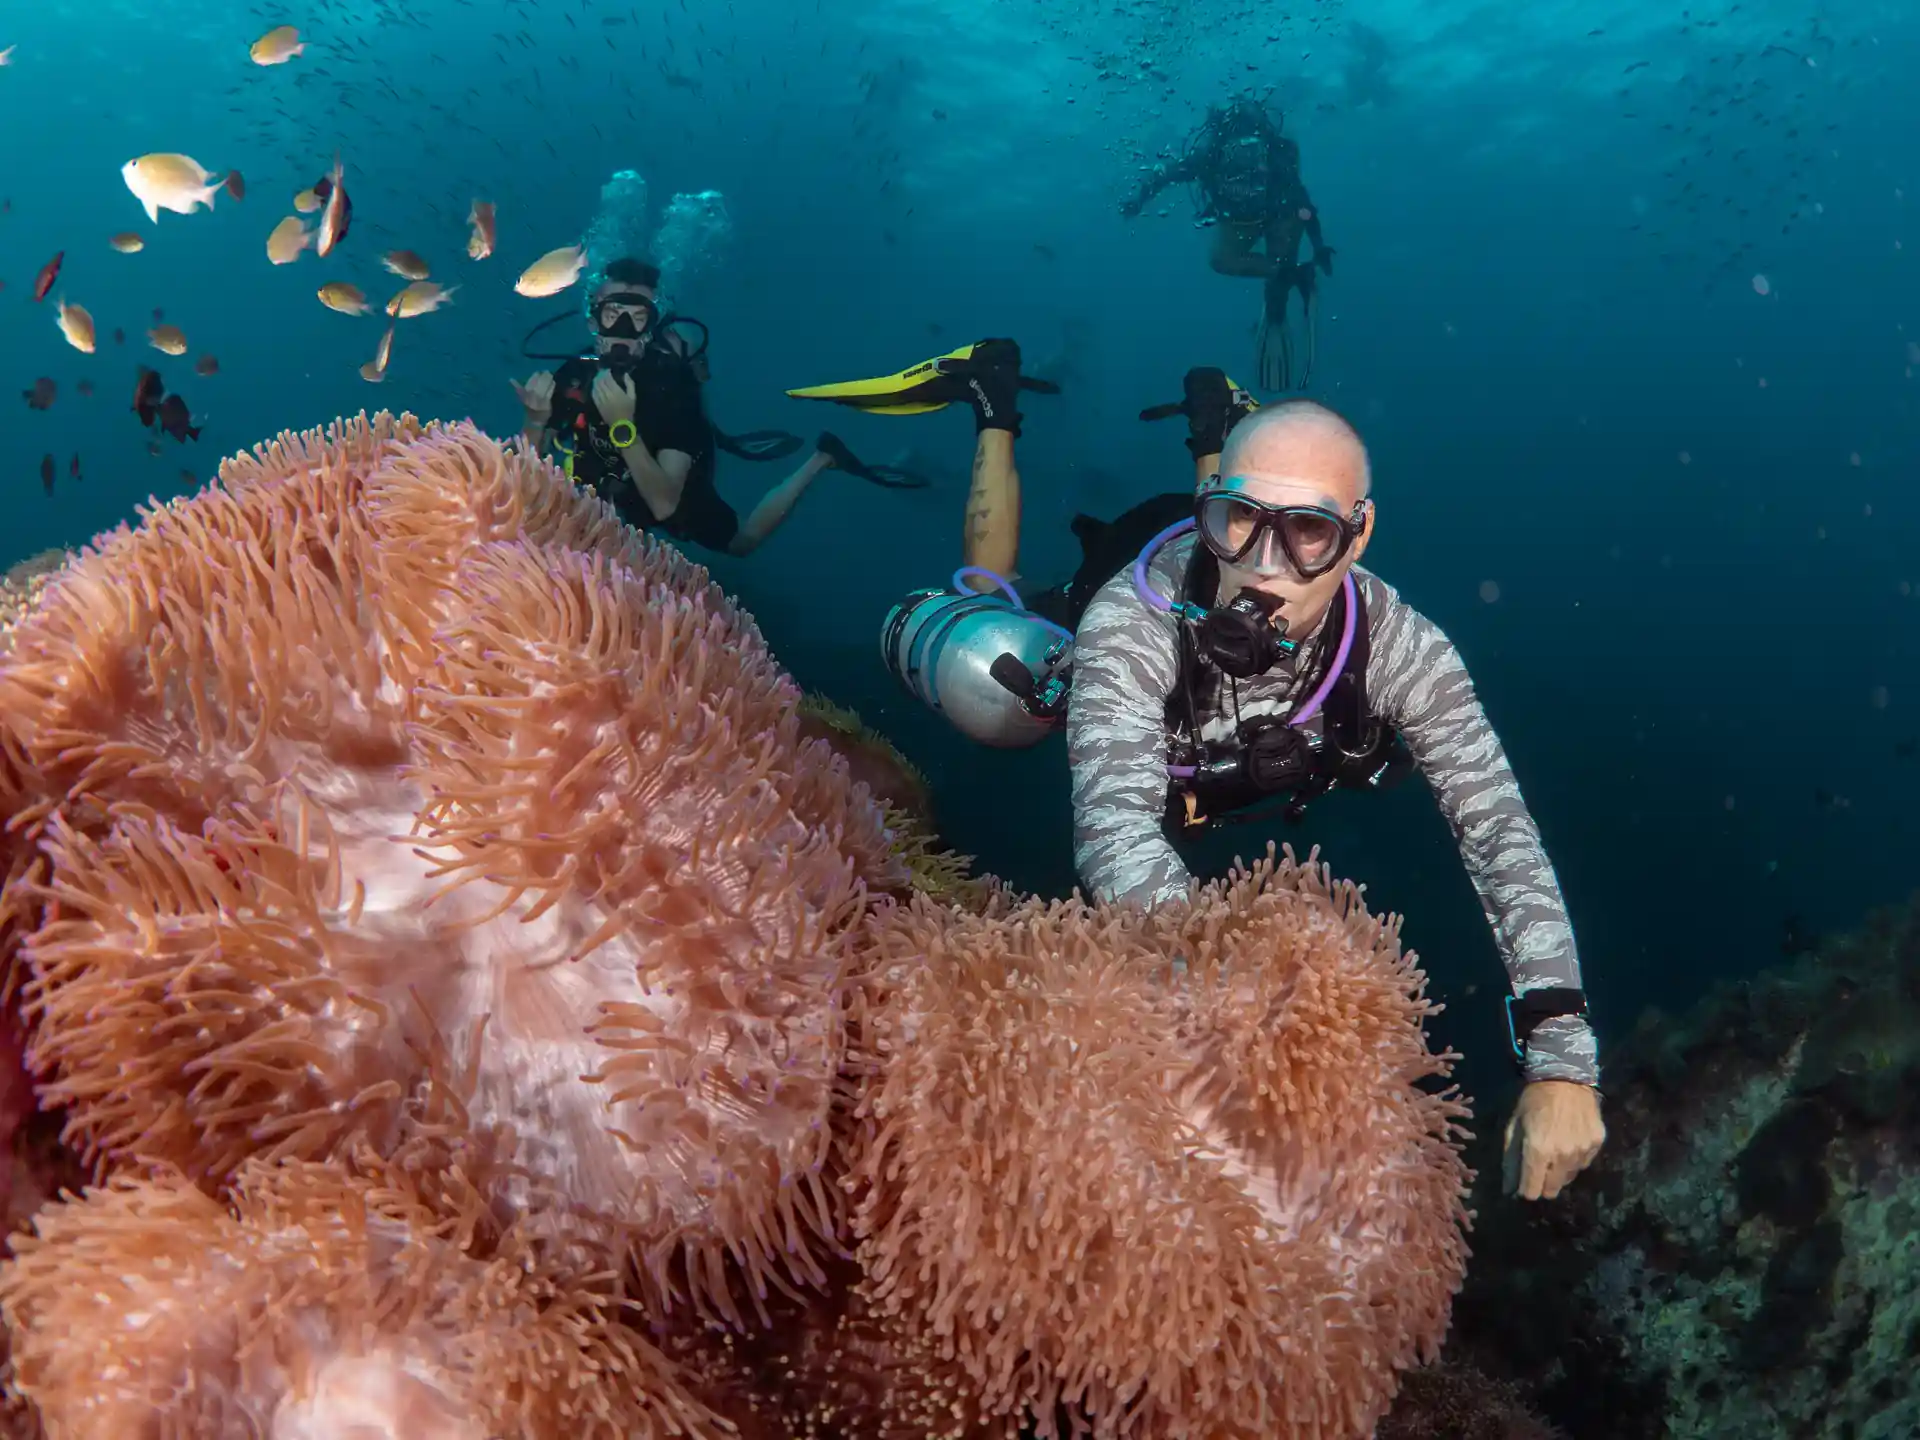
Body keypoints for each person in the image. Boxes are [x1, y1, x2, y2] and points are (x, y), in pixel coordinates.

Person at [790, 342, 1605, 1201]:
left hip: (1239, 695)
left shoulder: (1406, 650)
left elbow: (1498, 828)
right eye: (1240, 523)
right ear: (1215, 516)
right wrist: (1219, 991)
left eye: (1311, 532)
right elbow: (1113, 825)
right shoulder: (1129, 623)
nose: (1264, 566)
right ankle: (996, 410)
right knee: (1003, 681)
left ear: (1358, 535)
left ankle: (1219, 430)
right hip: (1113, 590)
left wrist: (1561, 1057)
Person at [512, 258, 916, 557]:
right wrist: (534, 421)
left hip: (672, 483)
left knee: (742, 544)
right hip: (605, 487)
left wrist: (623, 427)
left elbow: (665, 504)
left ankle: (822, 459)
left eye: (636, 318)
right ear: (591, 320)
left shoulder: (674, 387)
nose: (621, 331)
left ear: (651, 327)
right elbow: (525, 471)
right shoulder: (573, 376)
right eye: (612, 314)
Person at [1121, 96, 1335, 392]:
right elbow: (1304, 203)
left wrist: (1137, 201)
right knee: (1249, 265)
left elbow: (1165, 175)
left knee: (1257, 268)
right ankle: (1291, 278)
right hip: (1260, 217)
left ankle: (1283, 290)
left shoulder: (1244, 157)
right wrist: (1318, 243)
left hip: (1263, 217)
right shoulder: (1229, 156)